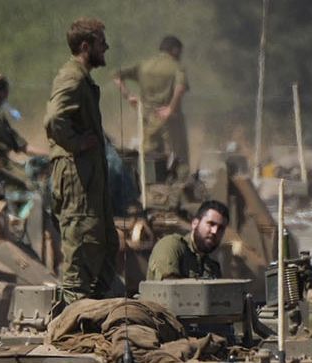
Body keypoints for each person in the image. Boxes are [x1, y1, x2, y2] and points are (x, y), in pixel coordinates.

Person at [45, 18, 120, 302]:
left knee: (107, 245)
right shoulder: (72, 78)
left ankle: (95, 312)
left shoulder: (83, 79)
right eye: (102, 42)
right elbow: (55, 118)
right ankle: (75, 324)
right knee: (81, 248)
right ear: (86, 46)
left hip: (89, 180)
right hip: (77, 180)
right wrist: (75, 144)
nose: (106, 47)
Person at [114, 37, 191, 176]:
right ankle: (182, 189)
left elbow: (117, 76)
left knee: (150, 157)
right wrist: (170, 109)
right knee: (180, 157)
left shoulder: (144, 65)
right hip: (170, 120)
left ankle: (151, 189)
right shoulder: (176, 67)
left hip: (147, 118)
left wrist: (128, 95)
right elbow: (180, 88)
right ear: (175, 50)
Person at [146, 199, 228, 280]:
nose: (215, 231)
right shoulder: (172, 246)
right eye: (211, 224)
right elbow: (171, 289)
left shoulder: (212, 268)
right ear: (195, 223)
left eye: (221, 228)